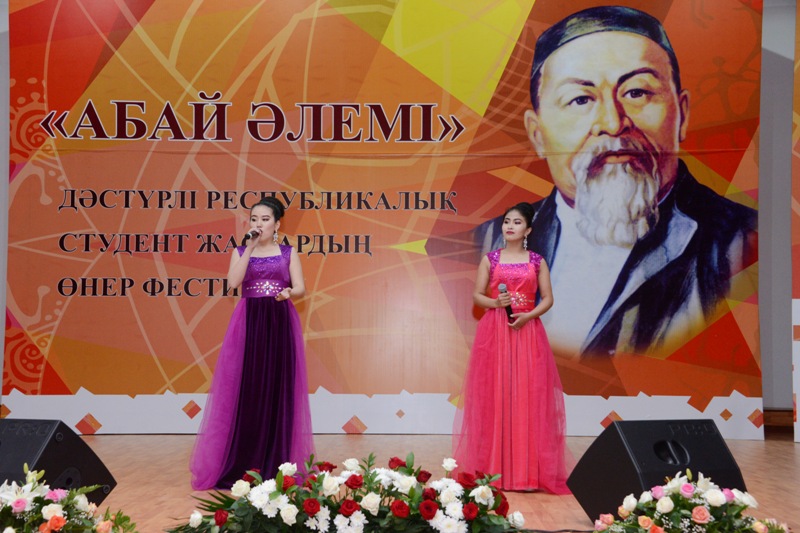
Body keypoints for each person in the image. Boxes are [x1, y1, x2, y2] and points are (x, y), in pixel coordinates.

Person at [475, 6, 757, 358]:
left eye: (637, 93)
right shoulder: (484, 244)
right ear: (538, 135)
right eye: (580, 99)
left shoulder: (746, 245)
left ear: (682, 115)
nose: (612, 123)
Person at [190, 196, 314, 490]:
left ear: (277, 224)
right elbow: (233, 283)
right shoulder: (240, 251)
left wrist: (289, 293)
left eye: (265, 219)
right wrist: (248, 248)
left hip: (279, 321)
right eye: (254, 219)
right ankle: (244, 463)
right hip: (250, 322)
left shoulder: (288, 252)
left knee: (278, 388)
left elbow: (300, 287)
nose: (259, 224)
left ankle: (278, 464)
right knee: (248, 387)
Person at [454, 203, 570, 493]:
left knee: (528, 396)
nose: (510, 226)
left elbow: (548, 298)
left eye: (517, 222)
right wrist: (496, 303)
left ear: (528, 230)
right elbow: (477, 295)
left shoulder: (537, 261)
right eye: (507, 221)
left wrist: (528, 316)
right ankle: (493, 472)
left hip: (527, 331)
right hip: (495, 331)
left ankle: (525, 474)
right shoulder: (490, 259)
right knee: (495, 395)